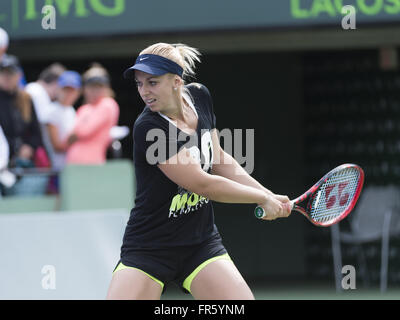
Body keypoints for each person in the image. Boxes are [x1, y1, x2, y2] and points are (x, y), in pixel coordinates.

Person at [106, 43, 291, 300]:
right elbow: (202, 184)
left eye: (152, 82)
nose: (144, 91)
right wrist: (260, 199)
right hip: (149, 248)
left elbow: (218, 158)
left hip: (199, 244)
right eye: (139, 84)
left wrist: (267, 192)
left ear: (176, 81)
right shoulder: (148, 127)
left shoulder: (200, 96)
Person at [0, 55, 48, 196]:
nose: (7, 77)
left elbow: (36, 133)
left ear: (19, 75)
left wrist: (28, 147)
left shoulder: (26, 99)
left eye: (11, 73)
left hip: (21, 164)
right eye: (3, 72)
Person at [65, 63, 119, 165]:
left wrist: (75, 132)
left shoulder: (108, 104)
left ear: (107, 87)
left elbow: (84, 131)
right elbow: (68, 137)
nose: (95, 91)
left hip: (92, 163)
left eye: (99, 86)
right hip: (72, 164)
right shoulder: (84, 108)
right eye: (91, 86)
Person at [46, 70, 81, 171]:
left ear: (78, 93)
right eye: (65, 89)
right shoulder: (52, 111)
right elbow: (57, 146)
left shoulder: (71, 110)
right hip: (55, 168)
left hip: (72, 166)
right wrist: (79, 138)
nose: (68, 94)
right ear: (58, 89)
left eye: (72, 90)